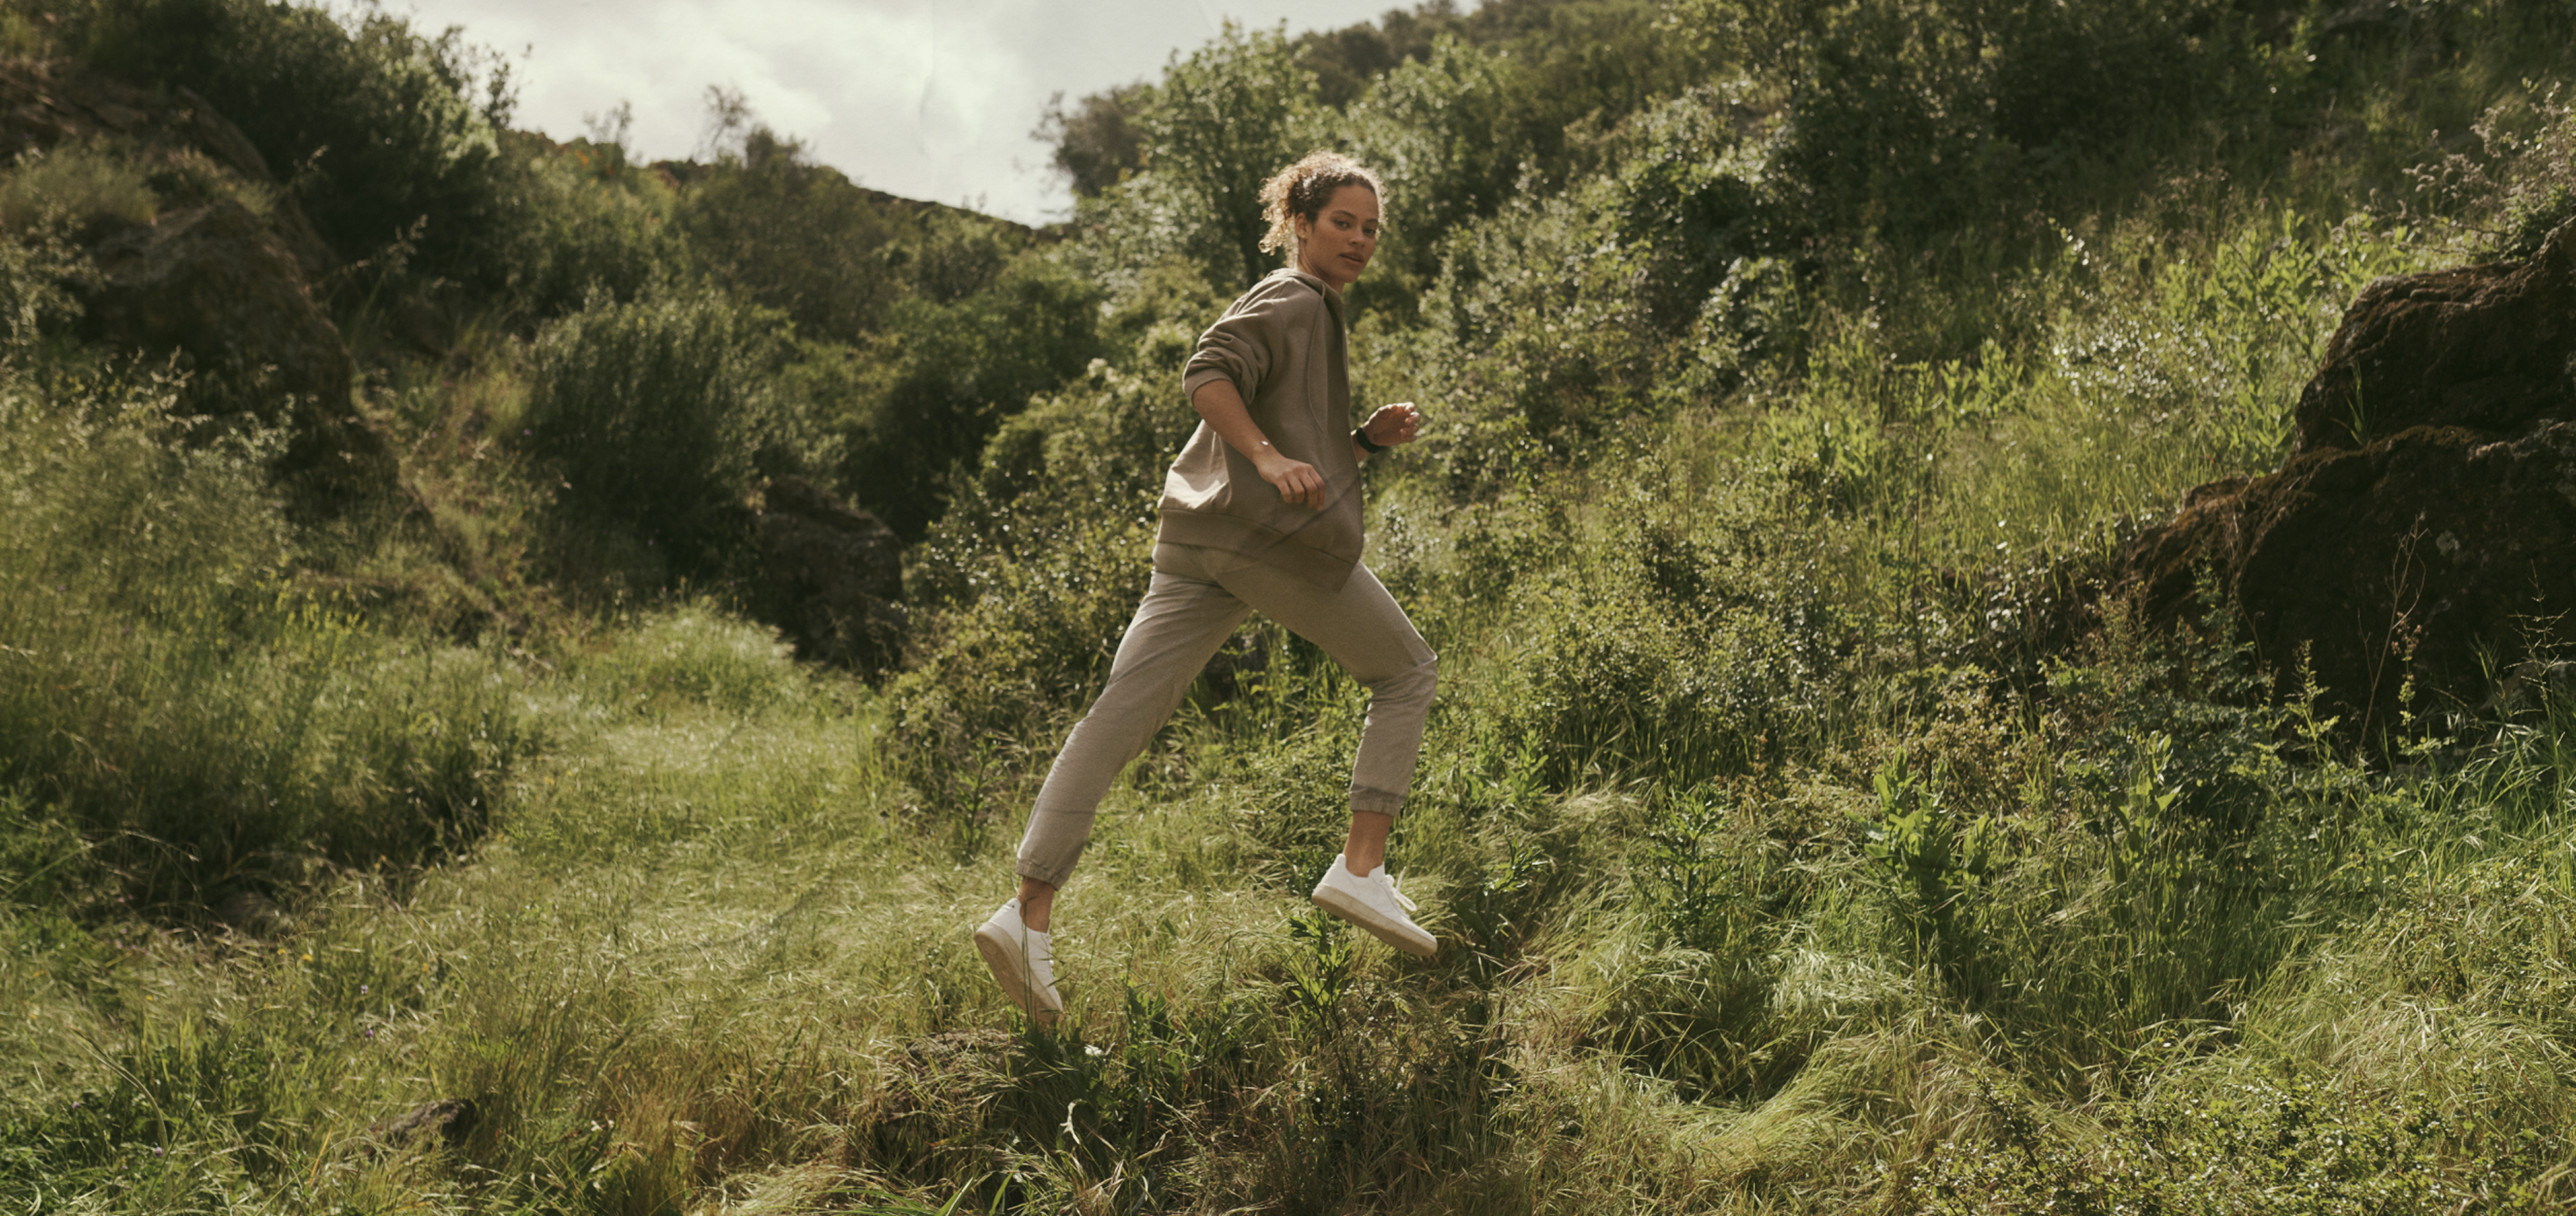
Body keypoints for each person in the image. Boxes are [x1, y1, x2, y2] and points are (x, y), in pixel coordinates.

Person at [972, 151, 1438, 1020]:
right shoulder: (1295, 297)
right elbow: (1208, 373)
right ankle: (1361, 869)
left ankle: (1025, 918)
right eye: (1344, 222)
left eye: (1372, 229)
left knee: (1114, 719)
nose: (1361, 241)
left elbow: (1280, 420)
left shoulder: (1306, 308)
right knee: (1406, 672)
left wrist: (1361, 442)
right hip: (1262, 538)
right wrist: (1264, 456)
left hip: (1198, 541)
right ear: (1301, 223)